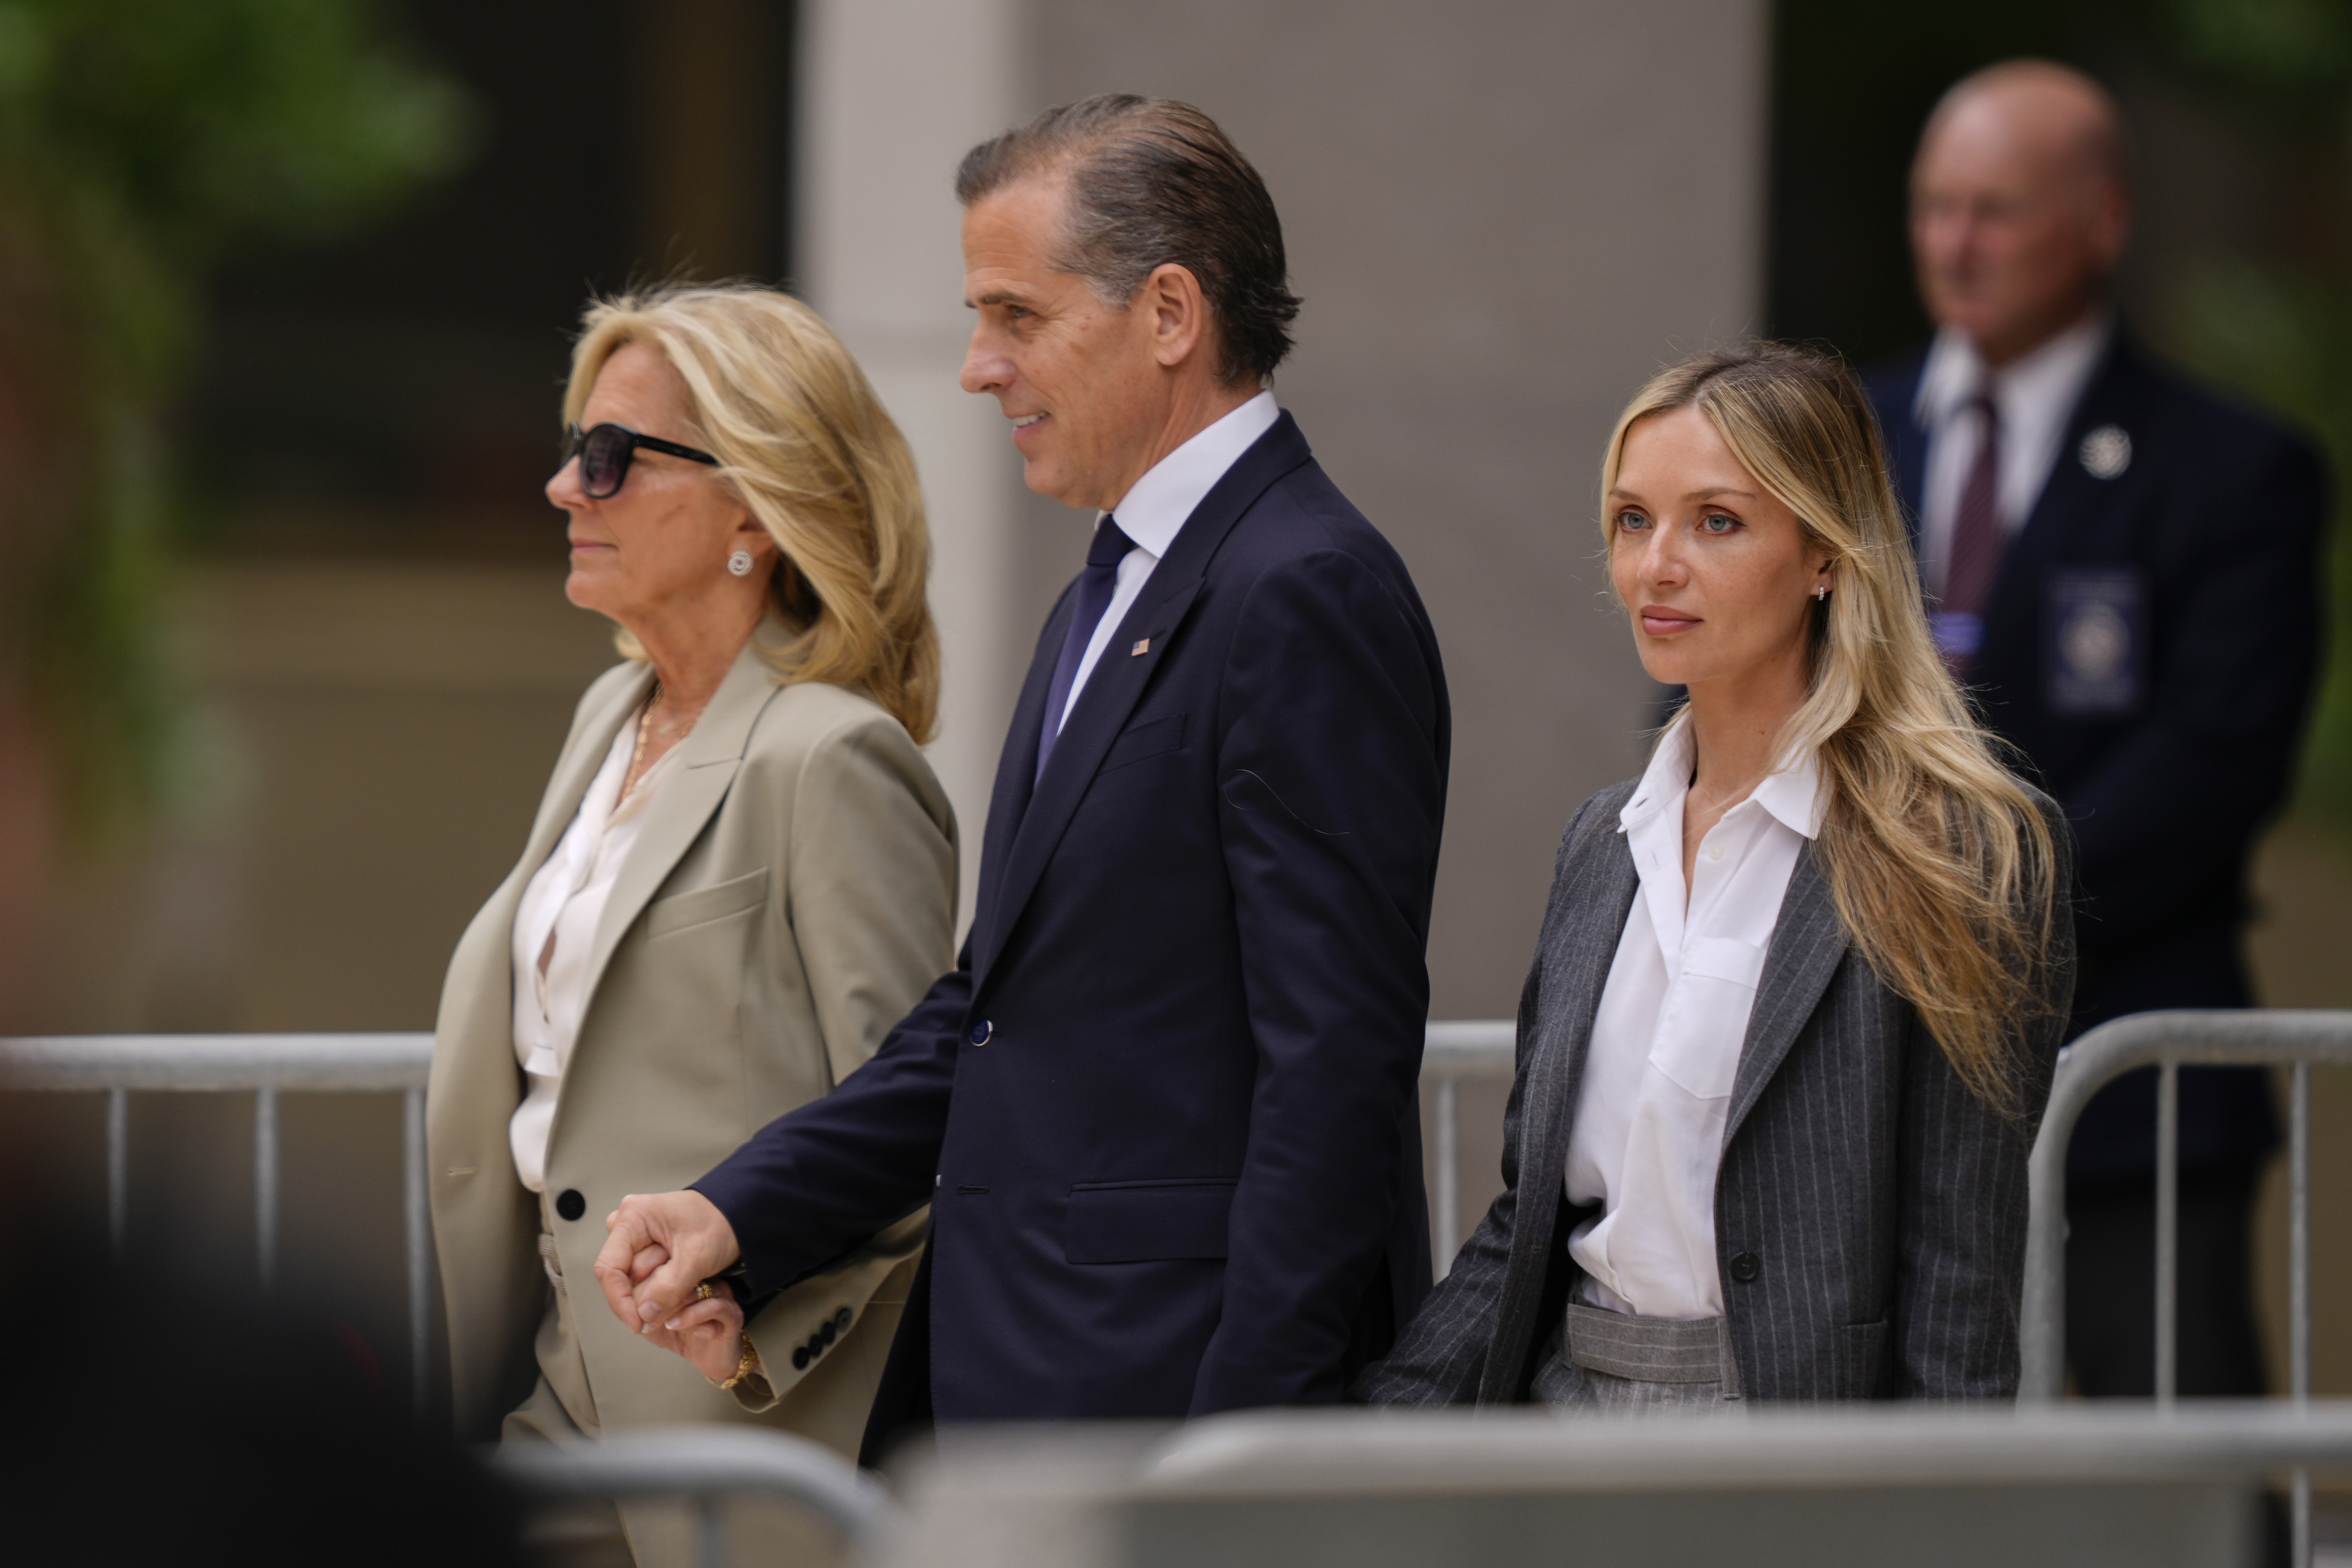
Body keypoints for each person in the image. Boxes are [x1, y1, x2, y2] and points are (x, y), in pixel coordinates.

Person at [592, 95, 1450, 1453]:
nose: (976, 367)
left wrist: (1248, 1457)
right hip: (1022, 1388)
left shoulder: (1305, 590)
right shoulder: (1110, 590)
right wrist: (743, 1214)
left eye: (1017, 316)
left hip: (1168, 1414)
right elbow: (990, 1012)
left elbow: (1333, 1072)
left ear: (1170, 314)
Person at [1359, 344, 2074, 1408]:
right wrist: (1380, 1434)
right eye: (1633, 519)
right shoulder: (1603, 841)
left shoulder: (1958, 851)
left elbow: (1959, 1279)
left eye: (1718, 521)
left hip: (1787, 1442)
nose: (1657, 566)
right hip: (1567, 1407)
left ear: (1827, 555)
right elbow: (1533, 1220)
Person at [426, 283, 956, 1561]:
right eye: (573, 453)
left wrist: (751, 1328)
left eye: (611, 459)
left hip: (738, 1428)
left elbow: (909, 1133)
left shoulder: (833, 758)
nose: (567, 490)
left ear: (755, 508)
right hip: (546, 1380)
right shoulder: (607, 719)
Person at [1866, 61, 2327, 1399]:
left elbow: (2212, 765)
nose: (1955, 243)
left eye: (1995, 210)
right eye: (1934, 205)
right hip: (1876, 1095)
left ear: (2104, 220)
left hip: (2128, 1096)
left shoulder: (2234, 473)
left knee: (2171, 1497)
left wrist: (1950, 907)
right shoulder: (1836, 444)